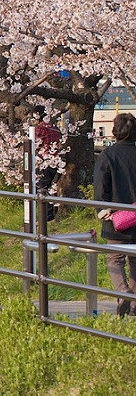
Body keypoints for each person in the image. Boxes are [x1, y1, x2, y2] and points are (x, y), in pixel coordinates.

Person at [94, 112, 136, 317]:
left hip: (116, 220)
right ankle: (135, 305)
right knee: (135, 261)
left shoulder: (107, 155)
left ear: (115, 132)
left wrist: (103, 212)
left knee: (115, 259)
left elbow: (101, 188)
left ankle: (123, 291)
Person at [35, 110, 61, 221]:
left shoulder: (41, 127)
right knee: (51, 188)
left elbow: (35, 144)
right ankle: (51, 214)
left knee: (42, 189)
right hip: (56, 161)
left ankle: (46, 217)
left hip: (44, 162)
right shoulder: (55, 128)